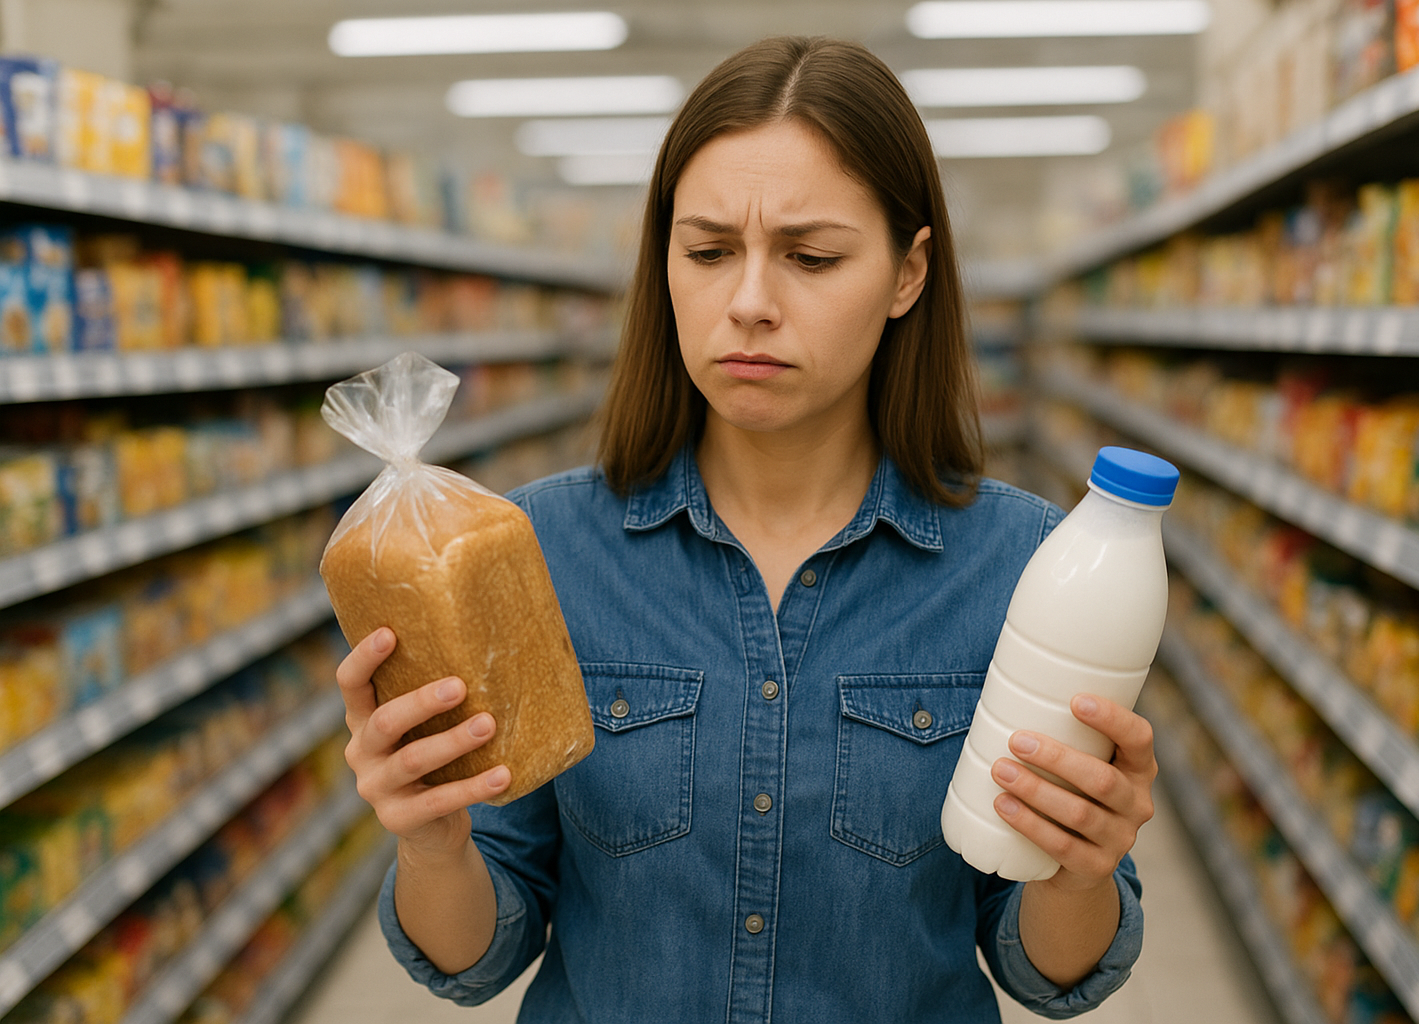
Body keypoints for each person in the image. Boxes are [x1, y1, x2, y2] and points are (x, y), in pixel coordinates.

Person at [334, 35, 1156, 1023]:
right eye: (710, 250)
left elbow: (1041, 970)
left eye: (811, 256)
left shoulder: (1022, 567)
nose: (751, 303)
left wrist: (1077, 872)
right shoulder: (532, 550)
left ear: (908, 273)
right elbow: (477, 955)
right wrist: (431, 841)